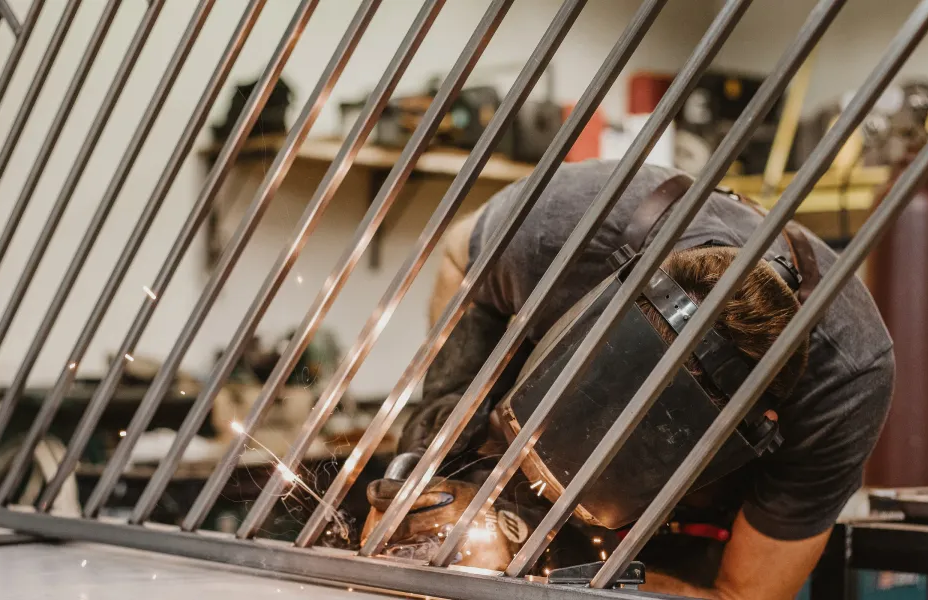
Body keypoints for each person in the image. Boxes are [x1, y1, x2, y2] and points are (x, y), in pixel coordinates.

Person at [382, 159, 894, 599]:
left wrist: (568, 578)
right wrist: (451, 415)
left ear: (762, 421)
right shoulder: (562, 226)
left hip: (684, 542)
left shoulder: (844, 387)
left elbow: (743, 595)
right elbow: (457, 254)